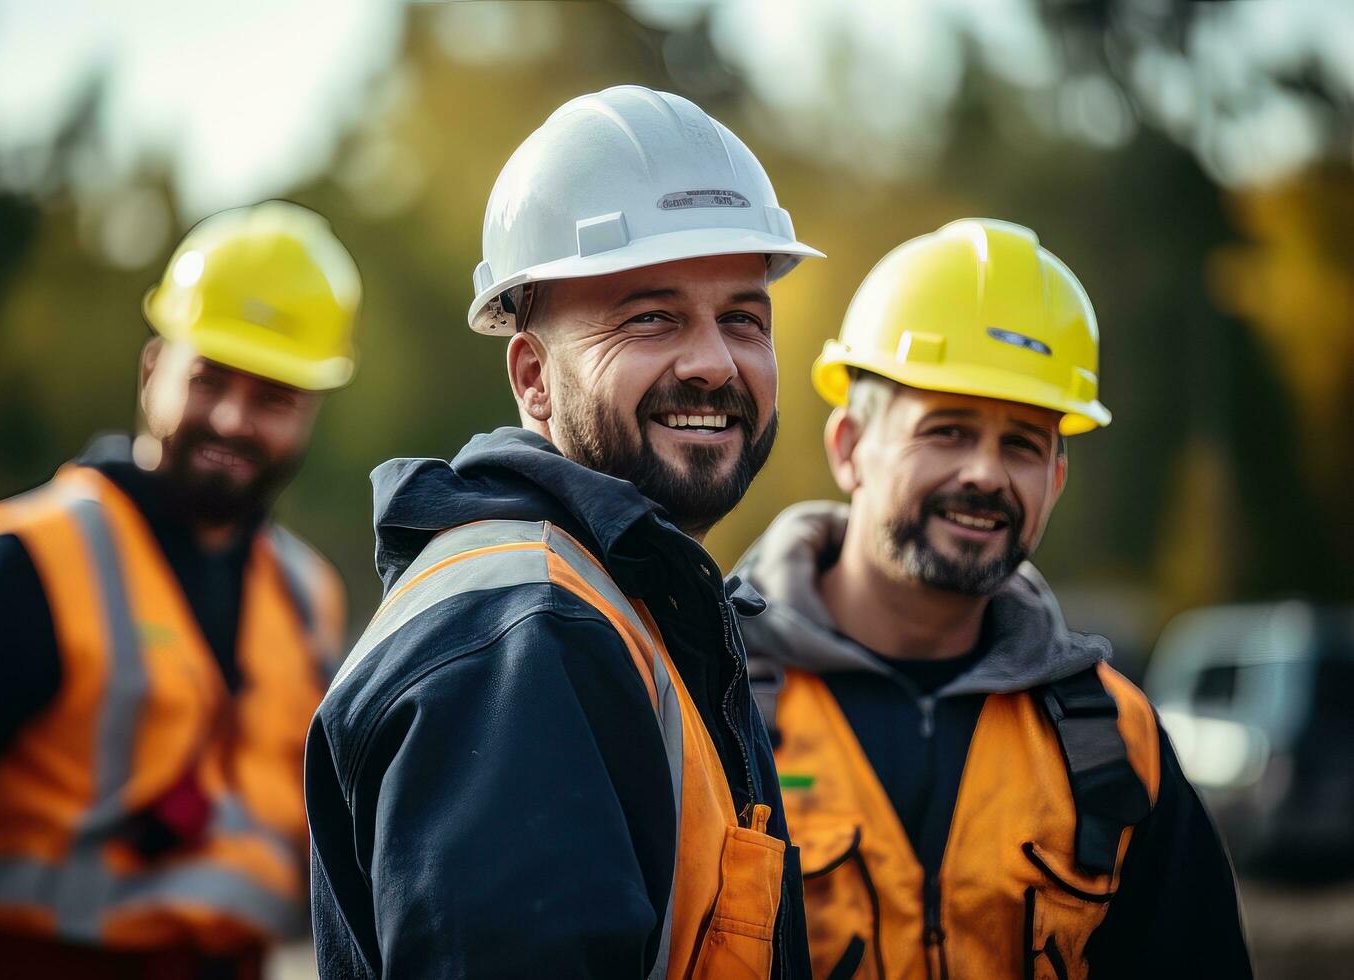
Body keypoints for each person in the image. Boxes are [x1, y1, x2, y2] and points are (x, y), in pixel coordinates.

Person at [305, 85, 824, 979]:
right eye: (652, 317)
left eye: (743, 318)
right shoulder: (517, 639)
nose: (713, 362)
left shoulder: (617, 603)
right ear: (534, 377)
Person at [732, 218, 1252, 978]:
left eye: (1022, 444)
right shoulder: (712, 698)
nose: (984, 473)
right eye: (946, 431)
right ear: (848, 447)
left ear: (1055, 481)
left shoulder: (1114, 741)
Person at [0, 201, 357, 979]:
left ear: (310, 413)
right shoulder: (27, 557)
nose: (234, 420)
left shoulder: (309, 596)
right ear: (152, 371)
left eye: (273, 398)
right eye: (208, 379)